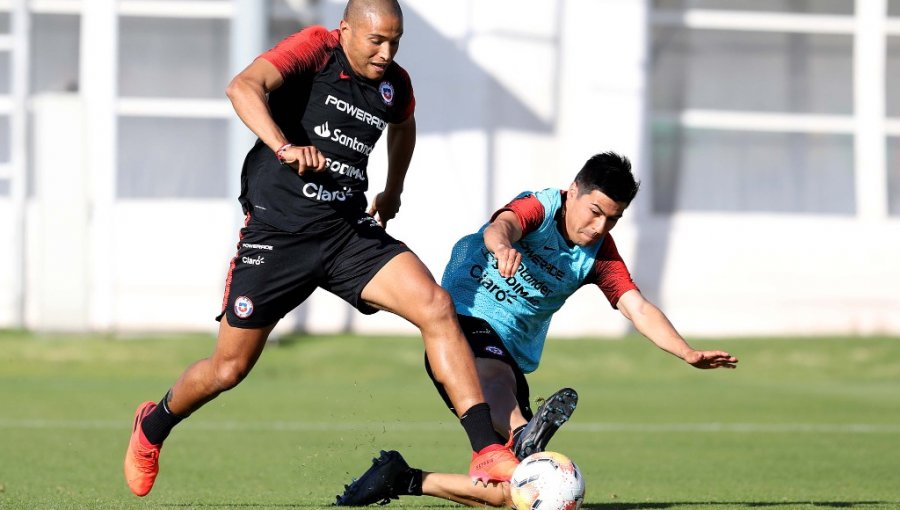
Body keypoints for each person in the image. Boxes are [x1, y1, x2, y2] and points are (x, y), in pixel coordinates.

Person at [123, 0, 519, 497]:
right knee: (228, 368)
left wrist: (393, 188)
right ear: (346, 30)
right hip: (279, 235)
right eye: (376, 40)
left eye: (395, 41)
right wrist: (284, 146)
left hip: (347, 231)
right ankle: (152, 426)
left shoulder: (395, 83)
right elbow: (241, 87)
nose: (386, 52)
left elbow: (404, 123)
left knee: (436, 306)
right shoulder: (315, 49)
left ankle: (487, 449)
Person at [335, 151, 739, 507]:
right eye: (595, 211)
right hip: (464, 317)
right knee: (490, 376)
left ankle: (403, 478)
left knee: (520, 492)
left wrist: (685, 351)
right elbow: (502, 225)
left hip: (511, 354)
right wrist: (502, 247)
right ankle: (521, 430)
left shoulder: (598, 254)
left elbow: (638, 307)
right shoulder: (541, 208)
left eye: (612, 220)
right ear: (574, 190)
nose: (600, 227)